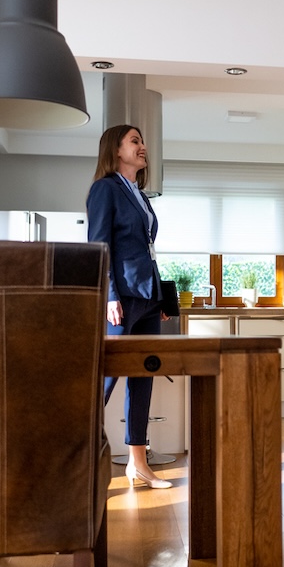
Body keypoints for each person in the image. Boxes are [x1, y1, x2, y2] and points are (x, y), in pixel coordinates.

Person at [87, 124, 172, 489]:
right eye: (135, 140)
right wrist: (108, 295)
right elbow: (98, 245)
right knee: (104, 380)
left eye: (142, 140)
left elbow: (146, 251)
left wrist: (160, 296)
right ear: (115, 149)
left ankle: (138, 463)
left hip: (147, 298)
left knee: (143, 379)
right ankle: (71, 453)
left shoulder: (140, 194)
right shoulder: (105, 189)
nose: (143, 146)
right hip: (120, 298)